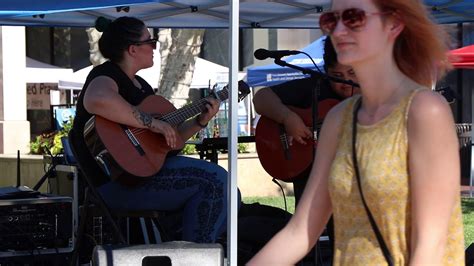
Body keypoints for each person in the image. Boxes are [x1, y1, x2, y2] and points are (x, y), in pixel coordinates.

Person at [249, 0, 464, 265]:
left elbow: (431, 246)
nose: (338, 31)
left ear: (394, 24)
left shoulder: (424, 111)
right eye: (331, 20)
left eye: (353, 18)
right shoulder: (339, 119)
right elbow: (300, 231)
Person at [71, 16, 234, 243]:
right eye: (150, 41)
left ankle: (189, 250)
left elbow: (167, 143)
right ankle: (196, 257)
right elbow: (97, 98)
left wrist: (200, 122)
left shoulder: (143, 88)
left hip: (143, 175)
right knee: (215, 181)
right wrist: (151, 122)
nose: (155, 46)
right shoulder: (105, 75)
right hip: (117, 183)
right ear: (133, 49)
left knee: (228, 192)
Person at [253, 36, 359, 198]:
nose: (346, 81)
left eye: (352, 72)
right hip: (311, 188)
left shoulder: (379, 95)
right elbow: (261, 98)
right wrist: (288, 119)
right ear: (327, 71)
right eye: (337, 75)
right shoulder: (317, 86)